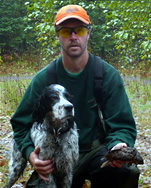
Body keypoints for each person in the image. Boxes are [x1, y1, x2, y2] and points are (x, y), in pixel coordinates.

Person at [11, 4, 140, 188]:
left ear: (88, 32)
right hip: (55, 158)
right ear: (57, 35)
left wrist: (118, 144)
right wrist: (32, 155)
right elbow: (20, 124)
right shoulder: (44, 79)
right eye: (65, 31)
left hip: (97, 152)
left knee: (125, 172)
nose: (73, 37)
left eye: (79, 30)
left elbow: (123, 125)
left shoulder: (106, 75)